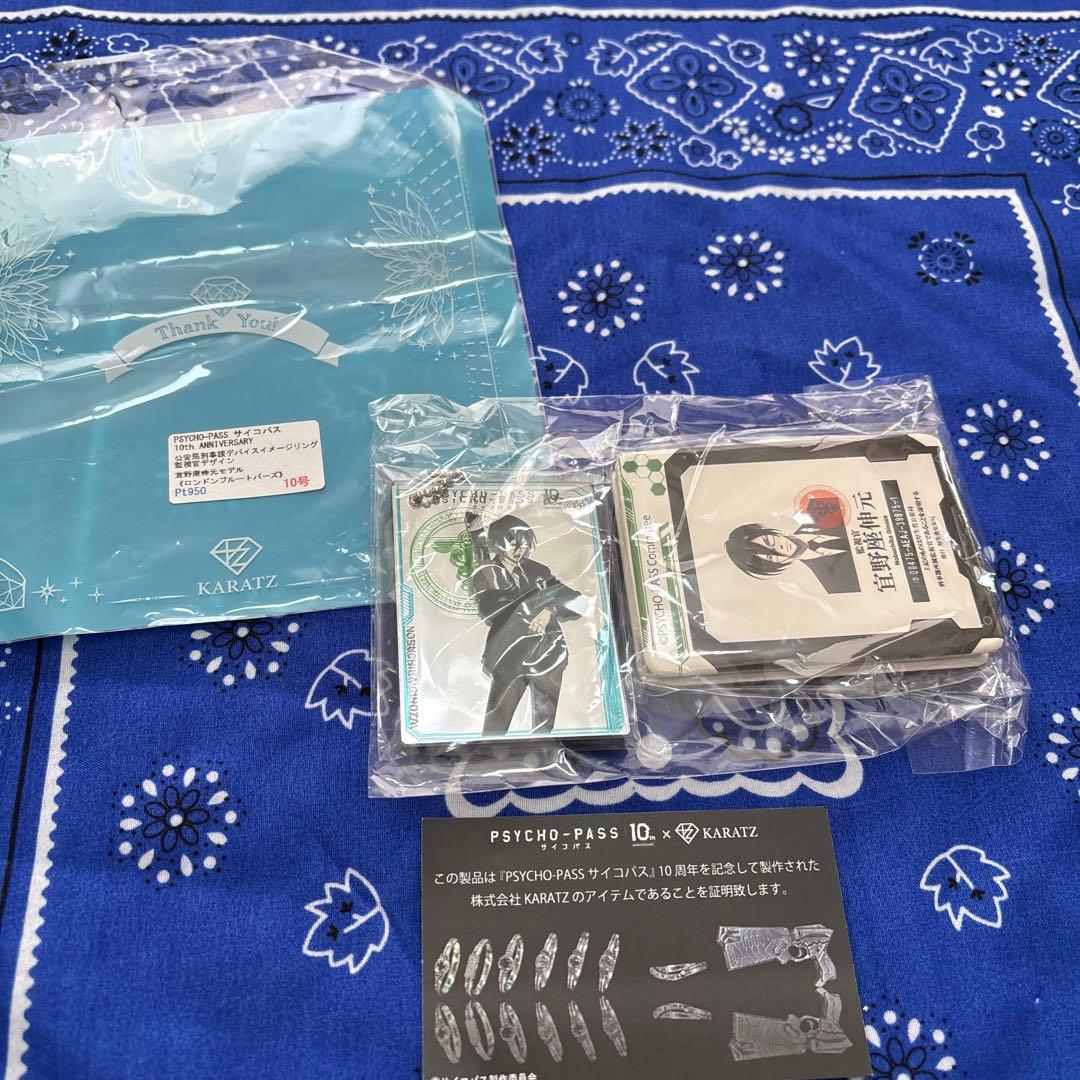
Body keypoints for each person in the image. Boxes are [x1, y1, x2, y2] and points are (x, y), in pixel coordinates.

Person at [467, 513, 588, 736]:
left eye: (523, 544)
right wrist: (539, 603)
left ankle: (542, 754)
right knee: (495, 727)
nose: (519, 550)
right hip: (508, 656)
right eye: (513, 544)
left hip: (548, 655)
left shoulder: (538, 571)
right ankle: (488, 753)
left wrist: (548, 611)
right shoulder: (487, 573)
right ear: (498, 543)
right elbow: (492, 608)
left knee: (544, 730)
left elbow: (578, 602)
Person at [725, 517, 860, 595]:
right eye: (770, 557)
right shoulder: (836, 585)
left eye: (768, 540)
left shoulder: (820, 511)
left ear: (764, 530)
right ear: (773, 566)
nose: (779, 548)